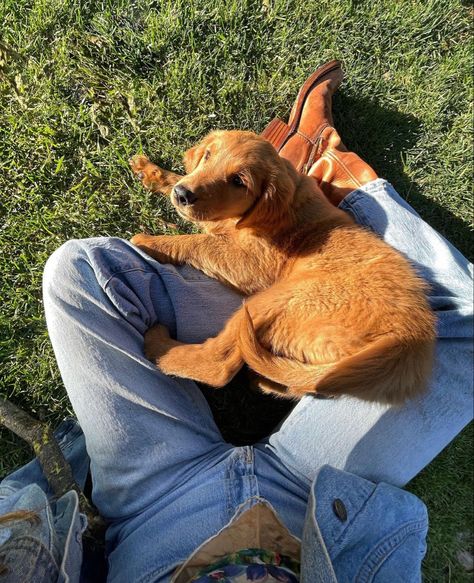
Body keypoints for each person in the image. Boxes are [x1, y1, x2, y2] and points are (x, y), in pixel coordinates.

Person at [0, 61, 472, 583]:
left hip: (153, 507)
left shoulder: (284, 239)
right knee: (467, 321)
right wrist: (192, 187)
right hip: (316, 498)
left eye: (237, 178)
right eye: (203, 160)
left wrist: (164, 246)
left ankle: (333, 183)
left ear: (265, 195)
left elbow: (253, 266)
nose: (193, 179)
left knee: (81, 271)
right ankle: (327, 170)